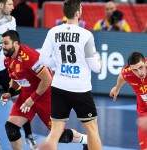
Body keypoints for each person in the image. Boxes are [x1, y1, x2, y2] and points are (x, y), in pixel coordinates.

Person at [1, 30, 89, 150]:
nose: (3, 47)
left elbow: (47, 79)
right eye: (2, 43)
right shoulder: (8, 59)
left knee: (59, 136)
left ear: (15, 43)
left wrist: (32, 99)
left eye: (6, 43)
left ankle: (86, 139)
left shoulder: (29, 57)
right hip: (27, 95)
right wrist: (10, 92)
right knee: (11, 128)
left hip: (46, 95)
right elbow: (16, 78)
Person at [39, 0, 102, 150]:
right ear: (78, 13)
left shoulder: (53, 31)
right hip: (80, 89)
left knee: (55, 132)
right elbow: (95, 67)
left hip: (59, 86)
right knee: (92, 129)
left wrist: (60, 64)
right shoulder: (86, 35)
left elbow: (43, 59)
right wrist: (99, 63)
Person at [0, 0, 35, 149]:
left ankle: (29, 136)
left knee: (21, 100)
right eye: (9, 4)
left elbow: (15, 45)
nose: (13, 7)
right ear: (1, 6)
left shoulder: (12, 21)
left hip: (6, 69)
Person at [110, 52, 147, 150]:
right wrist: (117, 88)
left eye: (141, 67)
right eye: (135, 70)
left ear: (145, 62)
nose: (139, 73)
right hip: (143, 112)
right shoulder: (127, 73)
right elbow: (122, 77)